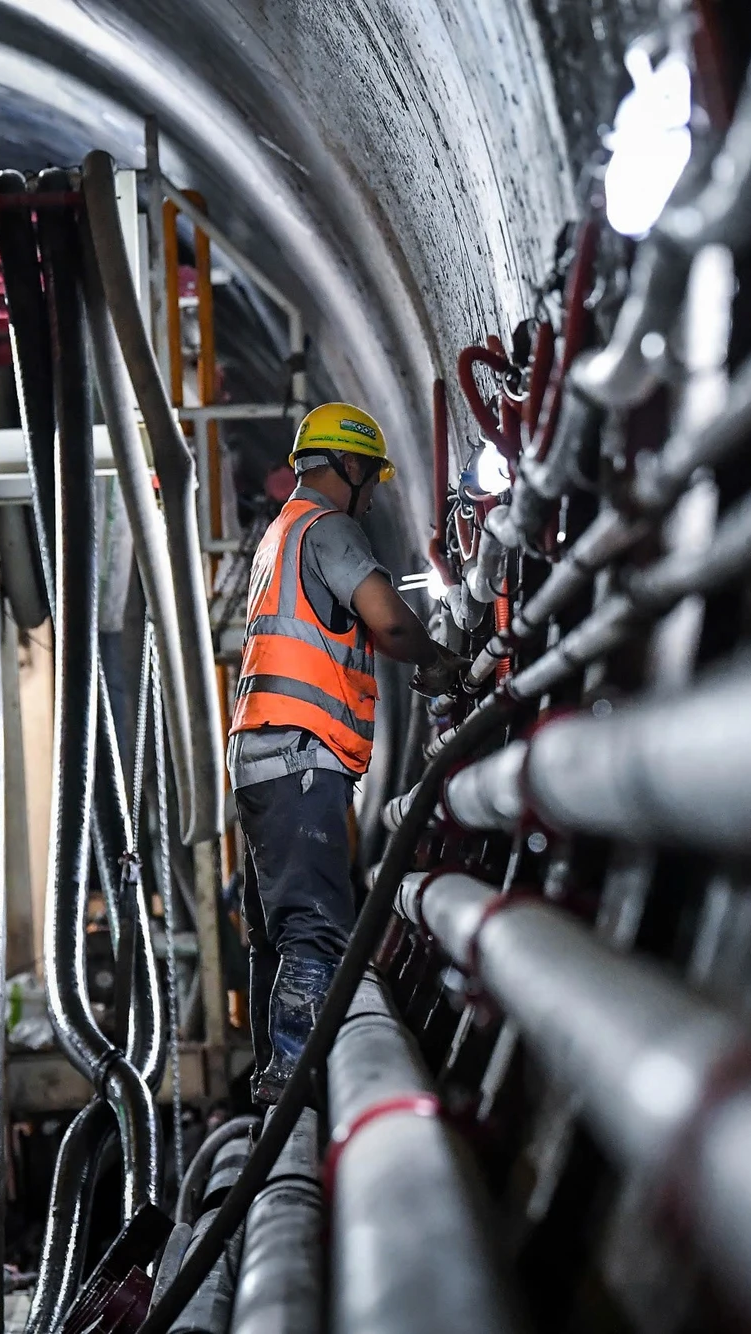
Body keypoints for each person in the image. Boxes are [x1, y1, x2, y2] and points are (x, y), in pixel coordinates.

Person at [227, 402, 463, 1102]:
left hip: (261, 752)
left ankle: (276, 1068)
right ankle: (300, 1071)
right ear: (352, 467)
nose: (373, 494)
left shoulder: (280, 534)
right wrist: (438, 659)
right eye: (372, 479)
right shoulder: (329, 529)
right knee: (314, 925)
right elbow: (387, 619)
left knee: (274, 929)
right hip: (303, 755)